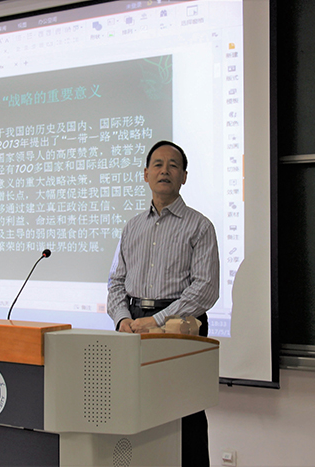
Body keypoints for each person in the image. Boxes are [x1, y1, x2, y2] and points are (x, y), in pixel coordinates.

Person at [107, 140, 220, 466]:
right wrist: (122, 319)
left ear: (184, 176)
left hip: (179, 325)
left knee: (185, 412)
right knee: (137, 410)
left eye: (173, 165)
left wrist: (157, 321)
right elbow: (116, 282)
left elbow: (206, 289)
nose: (164, 171)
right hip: (133, 323)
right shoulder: (132, 227)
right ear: (146, 174)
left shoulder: (199, 226)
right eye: (157, 164)